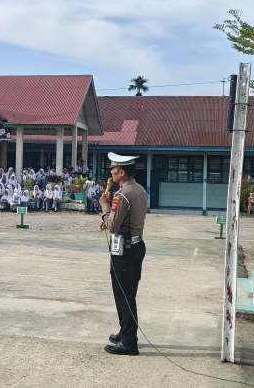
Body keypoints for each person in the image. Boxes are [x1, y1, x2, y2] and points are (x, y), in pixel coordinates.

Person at [99, 152, 147, 356]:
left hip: (125, 250)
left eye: (113, 169)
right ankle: (125, 331)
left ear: (122, 172)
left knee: (124, 295)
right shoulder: (139, 189)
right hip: (135, 245)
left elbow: (112, 226)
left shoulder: (122, 195)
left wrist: (104, 206)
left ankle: (129, 342)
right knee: (128, 293)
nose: (111, 172)